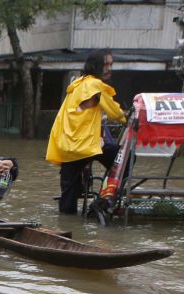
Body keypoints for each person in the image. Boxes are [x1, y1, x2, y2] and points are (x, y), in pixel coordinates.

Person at [46, 49, 126, 214]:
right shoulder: (94, 85)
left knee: (68, 201)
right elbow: (115, 113)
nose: (109, 68)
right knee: (125, 157)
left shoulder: (78, 84)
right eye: (106, 64)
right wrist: (130, 118)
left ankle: (68, 227)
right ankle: (105, 198)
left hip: (68, 148)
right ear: (96, 65)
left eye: (111, 64)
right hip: (84, 146)